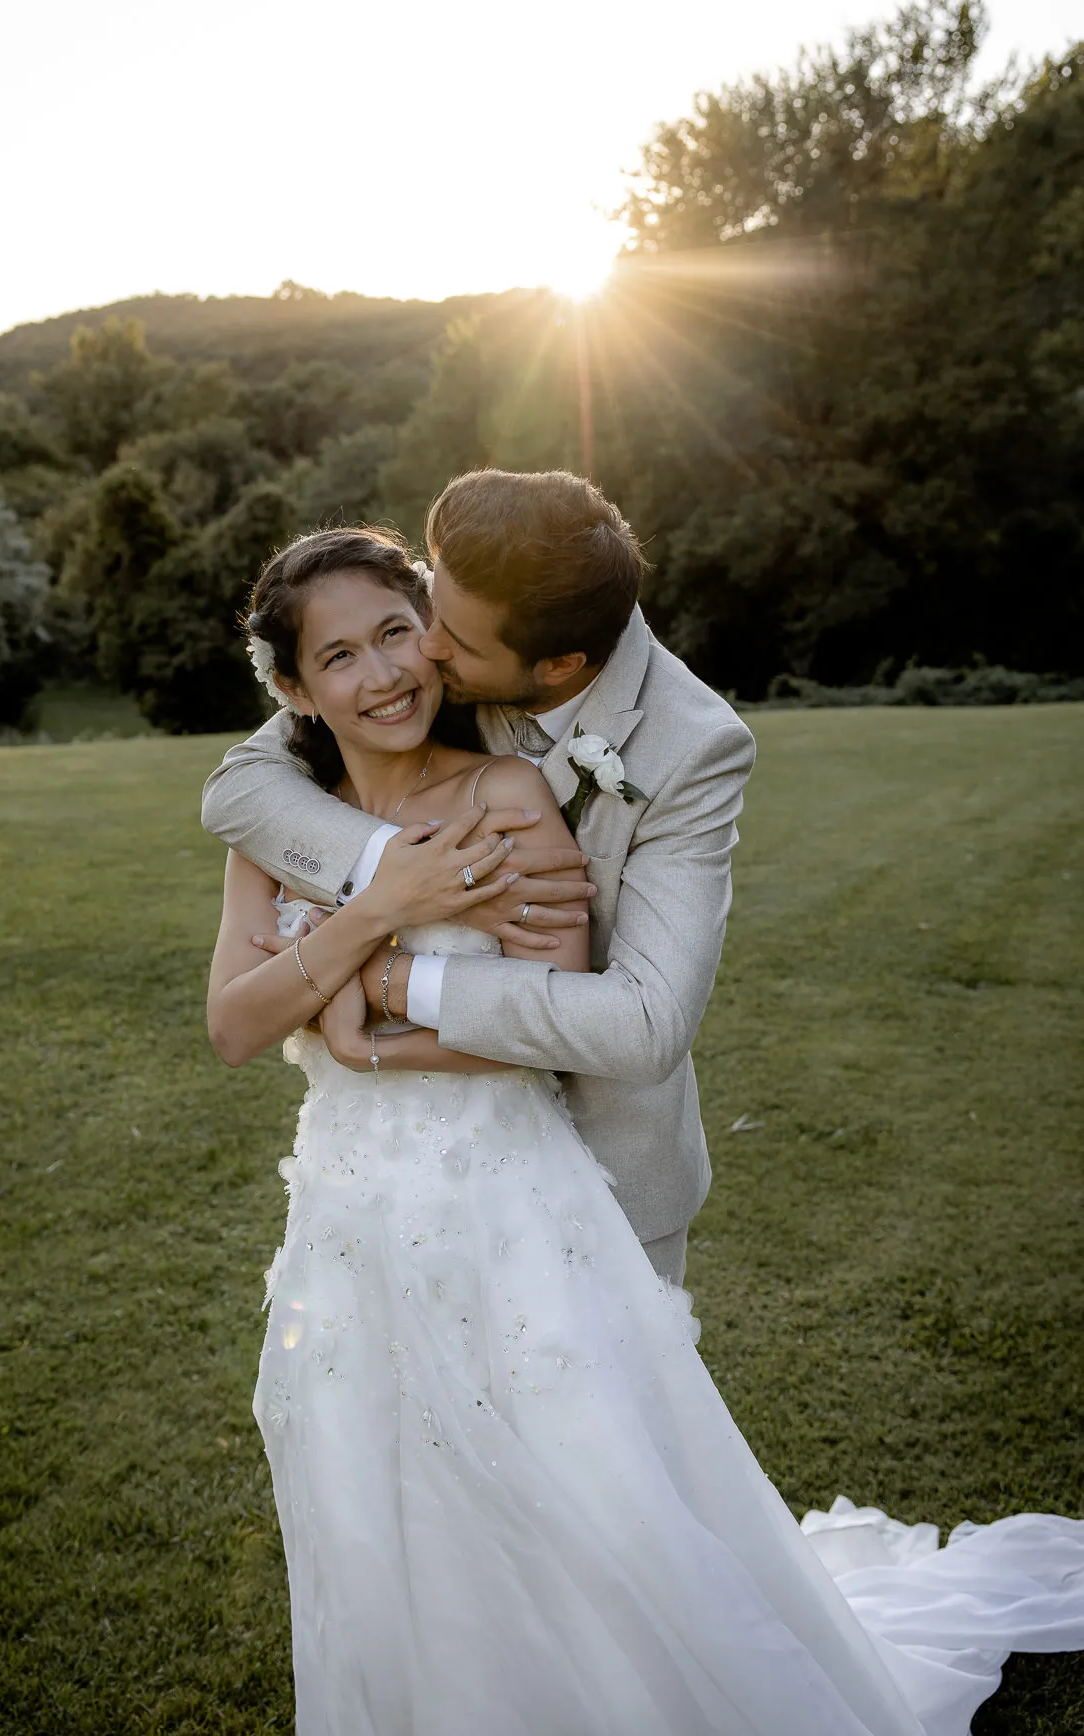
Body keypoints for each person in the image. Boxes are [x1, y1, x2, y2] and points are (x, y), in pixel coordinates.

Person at [205, 523, 1084, 1736]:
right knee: (373, 1483)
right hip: (349, 1212)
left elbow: (570, 1019)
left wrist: (367, 1014)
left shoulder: (512, 793)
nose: (391, 671)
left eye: (403, 632)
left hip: (507, 1191)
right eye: (340, 656)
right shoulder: (279, 810)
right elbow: (234, 1025)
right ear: (296, 687)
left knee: (586, 1481)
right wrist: (381, 909)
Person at [203, 469, 758, 1285]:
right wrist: (396, 877)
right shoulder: (448, 619)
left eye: (447, 642)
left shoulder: (691, 747)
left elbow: (642, 1026)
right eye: (425, 612)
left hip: (600, 1169)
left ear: (558, 664)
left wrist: (381, 975)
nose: (421, 651)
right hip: (373, 1175)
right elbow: (239, 789)